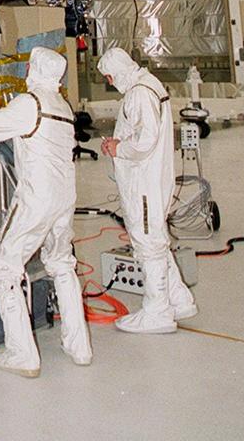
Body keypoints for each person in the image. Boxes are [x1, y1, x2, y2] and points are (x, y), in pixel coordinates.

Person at [0, 45, 92, 377]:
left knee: (4, 267)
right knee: (62, 264)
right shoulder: (62, 105)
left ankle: (21, 354)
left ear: (34, 69)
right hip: (64, 198)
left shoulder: (30, 103)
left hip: (36, 199)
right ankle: (79, 347)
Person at [98, 46, 198, 333]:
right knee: (156, 238)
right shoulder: (148, 84)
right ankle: (179, 299)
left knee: (147, 244)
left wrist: (118, 147)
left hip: (143, 181)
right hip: (153, 177)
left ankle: (157, 312)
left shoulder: (139, 93)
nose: (109, 83)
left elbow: (145, 140)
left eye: (109, 77)